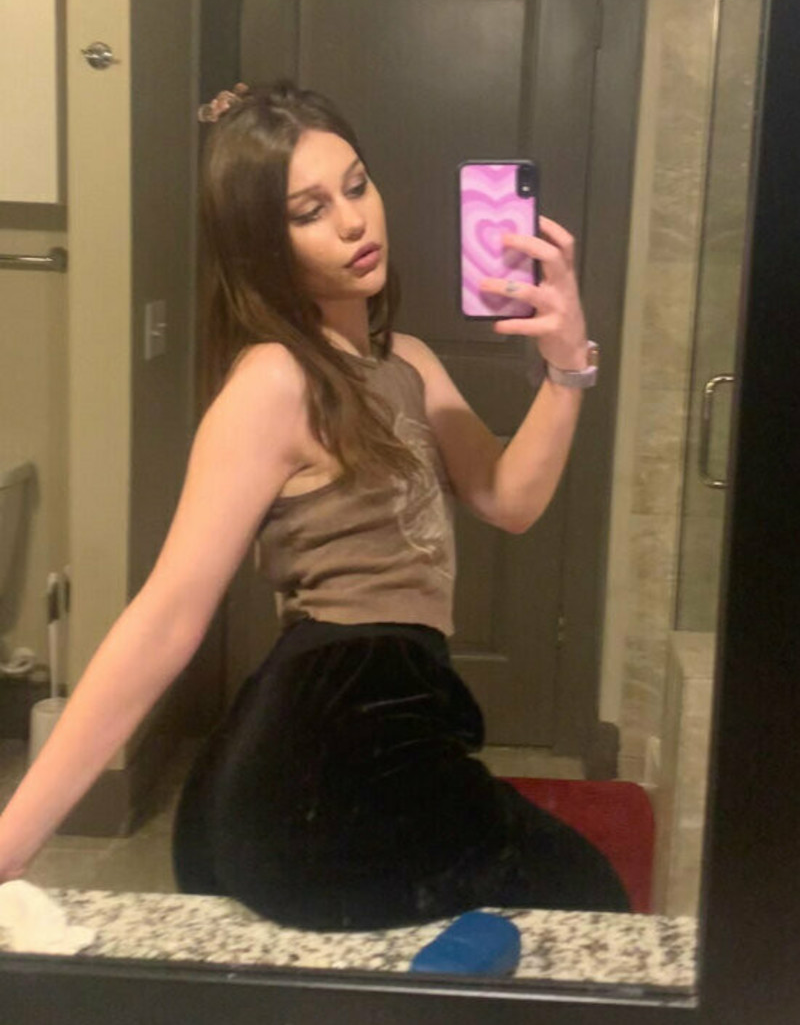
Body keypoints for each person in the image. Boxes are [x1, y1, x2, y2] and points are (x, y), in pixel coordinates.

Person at [0, 80, 630, 930]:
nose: (353, 222)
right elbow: (167, 615)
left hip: (374, 737)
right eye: (309, 210)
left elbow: (509, 498)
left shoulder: (408, 362)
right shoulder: (275, 380)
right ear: (265, 245)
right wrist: (13, 838)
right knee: (589, 904)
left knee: (578, 907)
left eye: (357, 186)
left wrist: (566, 365)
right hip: (326, 767)